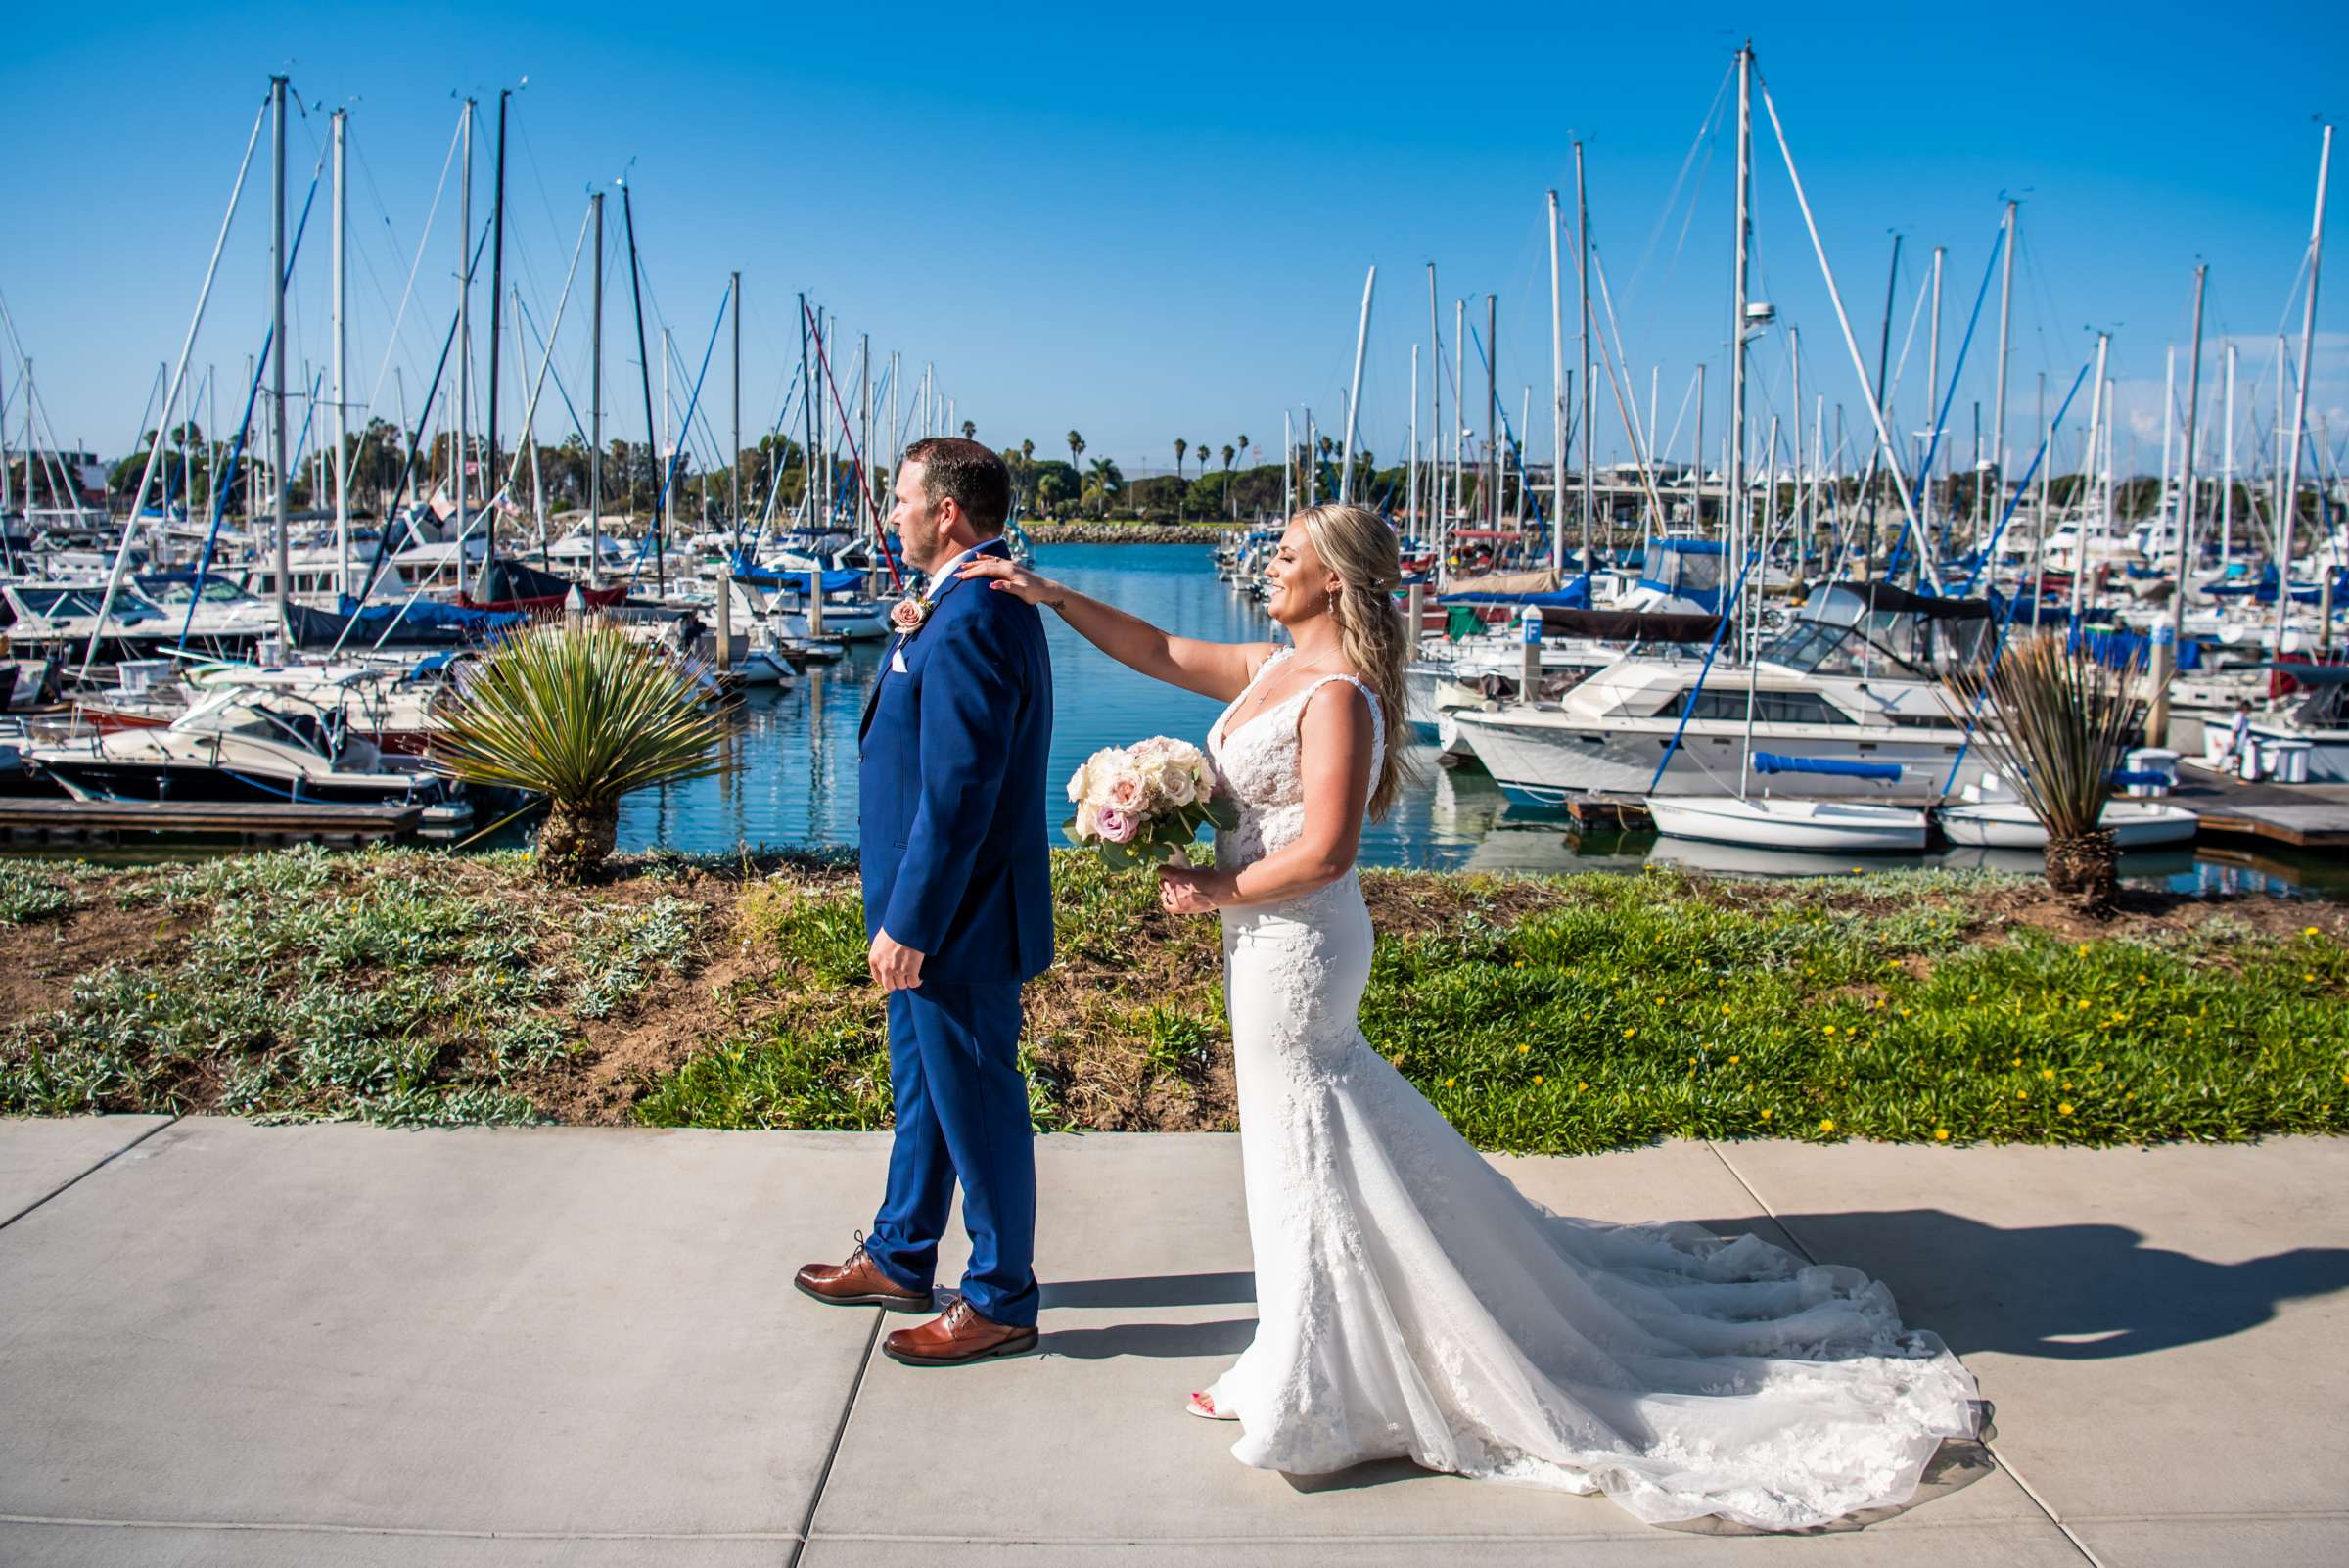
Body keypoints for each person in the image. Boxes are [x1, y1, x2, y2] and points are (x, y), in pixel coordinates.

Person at [961, 503, 1982, 1531]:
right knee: (1293, 1142)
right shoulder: (1273, 668)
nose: (1268, 569)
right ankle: (1301, 1351)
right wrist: (1053, 598)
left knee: (1304, 1139)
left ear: (1337, 581)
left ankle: (1320, 1382)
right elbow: (1159, 645)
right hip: (1261, 943)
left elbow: (1326, 852)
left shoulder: (1338, 697)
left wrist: (1217, 888)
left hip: (1300, 945)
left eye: (1286, 558)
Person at [795, 438, 1053, 1368]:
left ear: (947, 511)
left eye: (904, 499)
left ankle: (1000, 1297)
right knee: (927, 1095)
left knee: (978, 1099)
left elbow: (961, 785)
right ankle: (904, 1250)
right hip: (925, 902)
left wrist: (912, 920)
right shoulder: (956, 601)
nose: (892, 512)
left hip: (957, 917)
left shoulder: (979, 610)